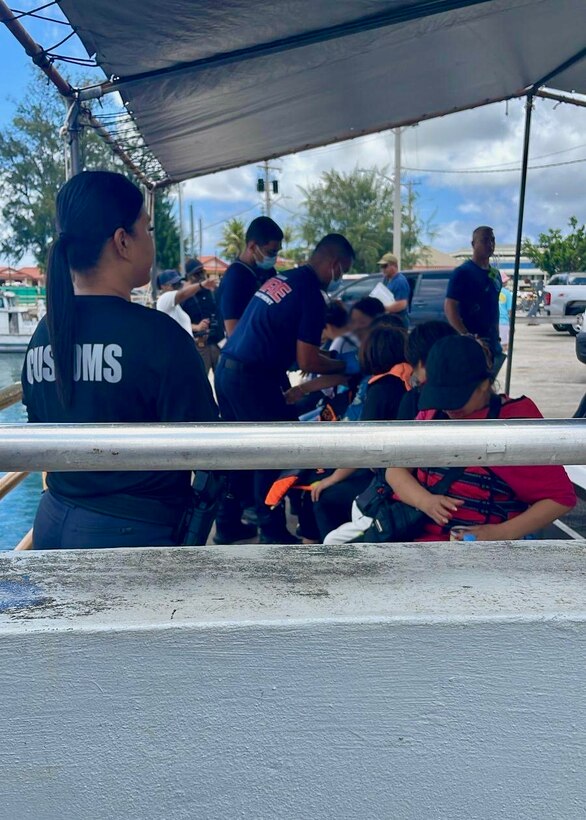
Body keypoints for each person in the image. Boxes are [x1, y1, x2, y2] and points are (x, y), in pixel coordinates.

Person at [22, 170, 219, 549]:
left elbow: (40, 431)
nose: (151, 240)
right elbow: (208, 446)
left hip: (52, 521)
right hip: (131, 536)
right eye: (146, 229)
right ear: (122, 241)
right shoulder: (159, 337)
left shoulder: (46, 332)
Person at [215, 233, 355, 543]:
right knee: (276, 450)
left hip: (229, 370)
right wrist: (343, 364)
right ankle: (272, 529)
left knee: (237, 452)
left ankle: (226, 524)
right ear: (333, 264)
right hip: (252, 377)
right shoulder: (310, 294)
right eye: (342, 270)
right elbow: (307, 359)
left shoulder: (285, 280)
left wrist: (321, 360)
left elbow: (295, 350)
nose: (339, 277)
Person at [385, 335, 576, 542]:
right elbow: (395, 470)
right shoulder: (432, 414)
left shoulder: (515, 424)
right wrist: (425, 501)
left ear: (485, 384)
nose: (449, 408)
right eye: (441, 397)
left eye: (456, 398)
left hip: (480, 552)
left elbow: (560, 498)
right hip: (416, 538)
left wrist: (500, 533)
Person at [311, 323, 411, 540]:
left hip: (386, 479)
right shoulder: (406, 380)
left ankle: (326, 552)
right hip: (401, 471)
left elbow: (364, 447)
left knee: (323, 495)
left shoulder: (382, 389)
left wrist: (333, 479)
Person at [444, 225, 504, 375]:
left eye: (492, 240)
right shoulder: (463, 273)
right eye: (484, 240)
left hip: (492, 343)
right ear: (473, 244)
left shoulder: (495, 274)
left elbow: (494, 306)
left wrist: (496, 333)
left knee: (488, 385)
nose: (490, 244)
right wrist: (466, 334)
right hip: (471, 344)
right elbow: (450, 306)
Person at [218, 216, 283, 337]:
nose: (274, 257)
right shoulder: (235, 277)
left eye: (277, 252)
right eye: (271, 252)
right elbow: (233, 331)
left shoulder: (269, 272)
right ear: (252, 246)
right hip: (247, 352)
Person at [182, 257, 224, 374]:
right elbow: (178, 322)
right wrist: (197, 327)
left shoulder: (212, 291)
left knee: (222, 381)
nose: (201, 276)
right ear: (189, 276)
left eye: (202, 272)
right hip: (199, 345)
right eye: (197, 273)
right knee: (200, 383)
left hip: (217, 342)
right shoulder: (184, 297)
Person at [156, 267, 216, 339]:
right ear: (163, 286)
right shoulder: (164, 298)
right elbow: (183, 294)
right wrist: (201, 285)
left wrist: (197, 327)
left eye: (179, 283)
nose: (178, 286)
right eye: (174, 284)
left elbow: (181, 325)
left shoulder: (174, 305)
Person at [378, 252, 411, 327]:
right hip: (390, 321)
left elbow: (402, 304)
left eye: (385, 266)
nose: (383, 269)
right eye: (381, 266)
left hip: (398, 323)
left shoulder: (400, 281)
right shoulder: (387, 279)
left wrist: (382, 309)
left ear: (394, 266)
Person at [498, 272, 513, 351]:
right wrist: (512, 324)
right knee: (504, 346)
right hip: (504, 321)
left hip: (493, 322)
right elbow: (510, 310)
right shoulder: (507, 293)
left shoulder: (492, 291)